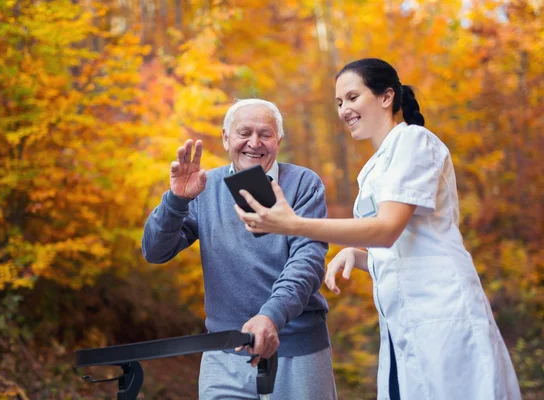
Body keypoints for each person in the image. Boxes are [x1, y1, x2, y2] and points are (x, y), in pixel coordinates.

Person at [235, 59, 522, 400]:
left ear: (386, 97)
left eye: (353, 97)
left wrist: (294, 225)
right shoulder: (374, 167)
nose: (344, 110)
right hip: (402, 326)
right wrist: (356, 255)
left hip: (442, 313)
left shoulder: (413, 141)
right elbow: (396, 244)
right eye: (339, 103)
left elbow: (387, 229)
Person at [142, 98, 337, 400]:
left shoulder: (302, 184)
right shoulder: (203, 186)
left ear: (279, 141)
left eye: (265, 134)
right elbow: (155, 251)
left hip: (297, 350)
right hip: (223, 353)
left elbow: (307, 263)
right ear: (225, 138)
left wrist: (271, 316)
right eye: (244, 132)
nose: (254, 143)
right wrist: (176, 201)